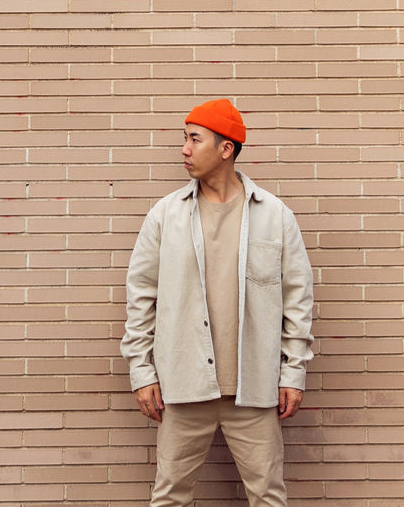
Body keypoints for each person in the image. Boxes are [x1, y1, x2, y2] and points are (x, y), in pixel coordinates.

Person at [120, 98, 314, 507]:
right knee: (170, 496)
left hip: (255, 390)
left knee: (269, 498)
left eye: (194, 139)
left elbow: (297, 301)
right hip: (184, 387)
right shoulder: (165, 215)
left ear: (226, 148)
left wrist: (292, 374)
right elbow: (141, 296)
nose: (184, 150)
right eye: (184, 139)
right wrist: (142, 372)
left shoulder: (274, 216)